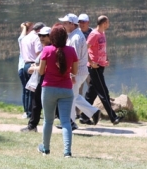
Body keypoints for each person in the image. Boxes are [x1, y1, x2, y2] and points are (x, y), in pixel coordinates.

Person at [37, 25, 78, 157]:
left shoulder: (47, 50)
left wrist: (35, 67)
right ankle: (67, 152)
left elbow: (42, 71)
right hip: (66, 89)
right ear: (65, 37)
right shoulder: (71, 51)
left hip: (49, 89)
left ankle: (45, 148)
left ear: (52, 37)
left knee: (48, 120)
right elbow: (75, 71)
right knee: (66, 121)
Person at [60, 13, 99, 130]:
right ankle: (93, 112)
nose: (63, 25)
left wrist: (71, 74)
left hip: (77, 72)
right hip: (78, 71)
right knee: (74, 96)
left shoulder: (76, 38)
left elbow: (74, 58)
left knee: (70, 96)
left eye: (65, 23)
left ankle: (70, 122)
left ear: (72, 24)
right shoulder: (73, 35)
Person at [85, 15, 121, 124]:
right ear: (104, 23)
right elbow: (85, 49)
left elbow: (103, 48)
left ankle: (83, 116)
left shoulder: (102, 33)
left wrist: (107, 58)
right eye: (108, 22)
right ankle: (113, 117)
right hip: (94, 67)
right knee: (103, 92)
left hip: (101, 66)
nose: (109, 24)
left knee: (92, 93)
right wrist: (91, 62)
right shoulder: (94, 34)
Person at [21, 26, 51, 133]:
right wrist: (36, 65)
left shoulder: (49, 49)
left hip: (45, 79)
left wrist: (33, 68)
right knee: (36, 103)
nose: (41, 37)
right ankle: (32, 125)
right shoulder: (45, 48)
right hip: (41, 79)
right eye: (40, 35)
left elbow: (46, 68)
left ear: (50, 36)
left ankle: (32, 126)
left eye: (44, 36)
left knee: (37, 103)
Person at [19, 22, 43, 119]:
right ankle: (31, 112)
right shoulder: (36, 37)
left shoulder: (25, 37)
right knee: (34, 90)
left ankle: (27, 111)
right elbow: (38, 52)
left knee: (27, 90)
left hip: (25, 64)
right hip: (33, 64)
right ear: (39, 30)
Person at [17, 22, 33, 118]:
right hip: (25, 67)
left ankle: (27, 111)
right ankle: (28, 111)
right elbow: (21, 37)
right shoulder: (25, 40)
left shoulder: (26, 40)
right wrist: (24, 28)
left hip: (22, 67)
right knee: (28, 90)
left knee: (26, 90)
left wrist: (24, 27)